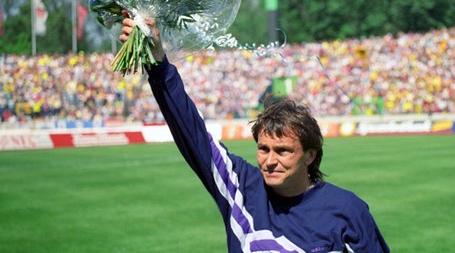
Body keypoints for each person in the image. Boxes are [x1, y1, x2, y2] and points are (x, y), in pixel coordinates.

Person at [119, 15, 390, 253]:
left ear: (310, 155)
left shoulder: (348, 210)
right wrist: (157, 62)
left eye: (283, 150)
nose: (270, 160)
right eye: (263, 149)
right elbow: (191, 130)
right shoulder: (240, 187)